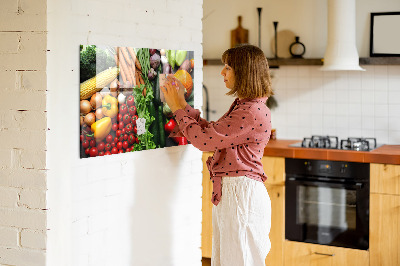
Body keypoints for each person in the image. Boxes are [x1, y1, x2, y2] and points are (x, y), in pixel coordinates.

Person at [161, 44, 273, 266]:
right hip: (236, 193)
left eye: (228, 67)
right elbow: (212, 132)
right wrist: (182, 104)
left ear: (244, 72)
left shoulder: (250, 111)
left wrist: (176, 108)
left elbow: (204, 141)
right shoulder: (246, 106)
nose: (222, 72)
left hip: (241, 196)